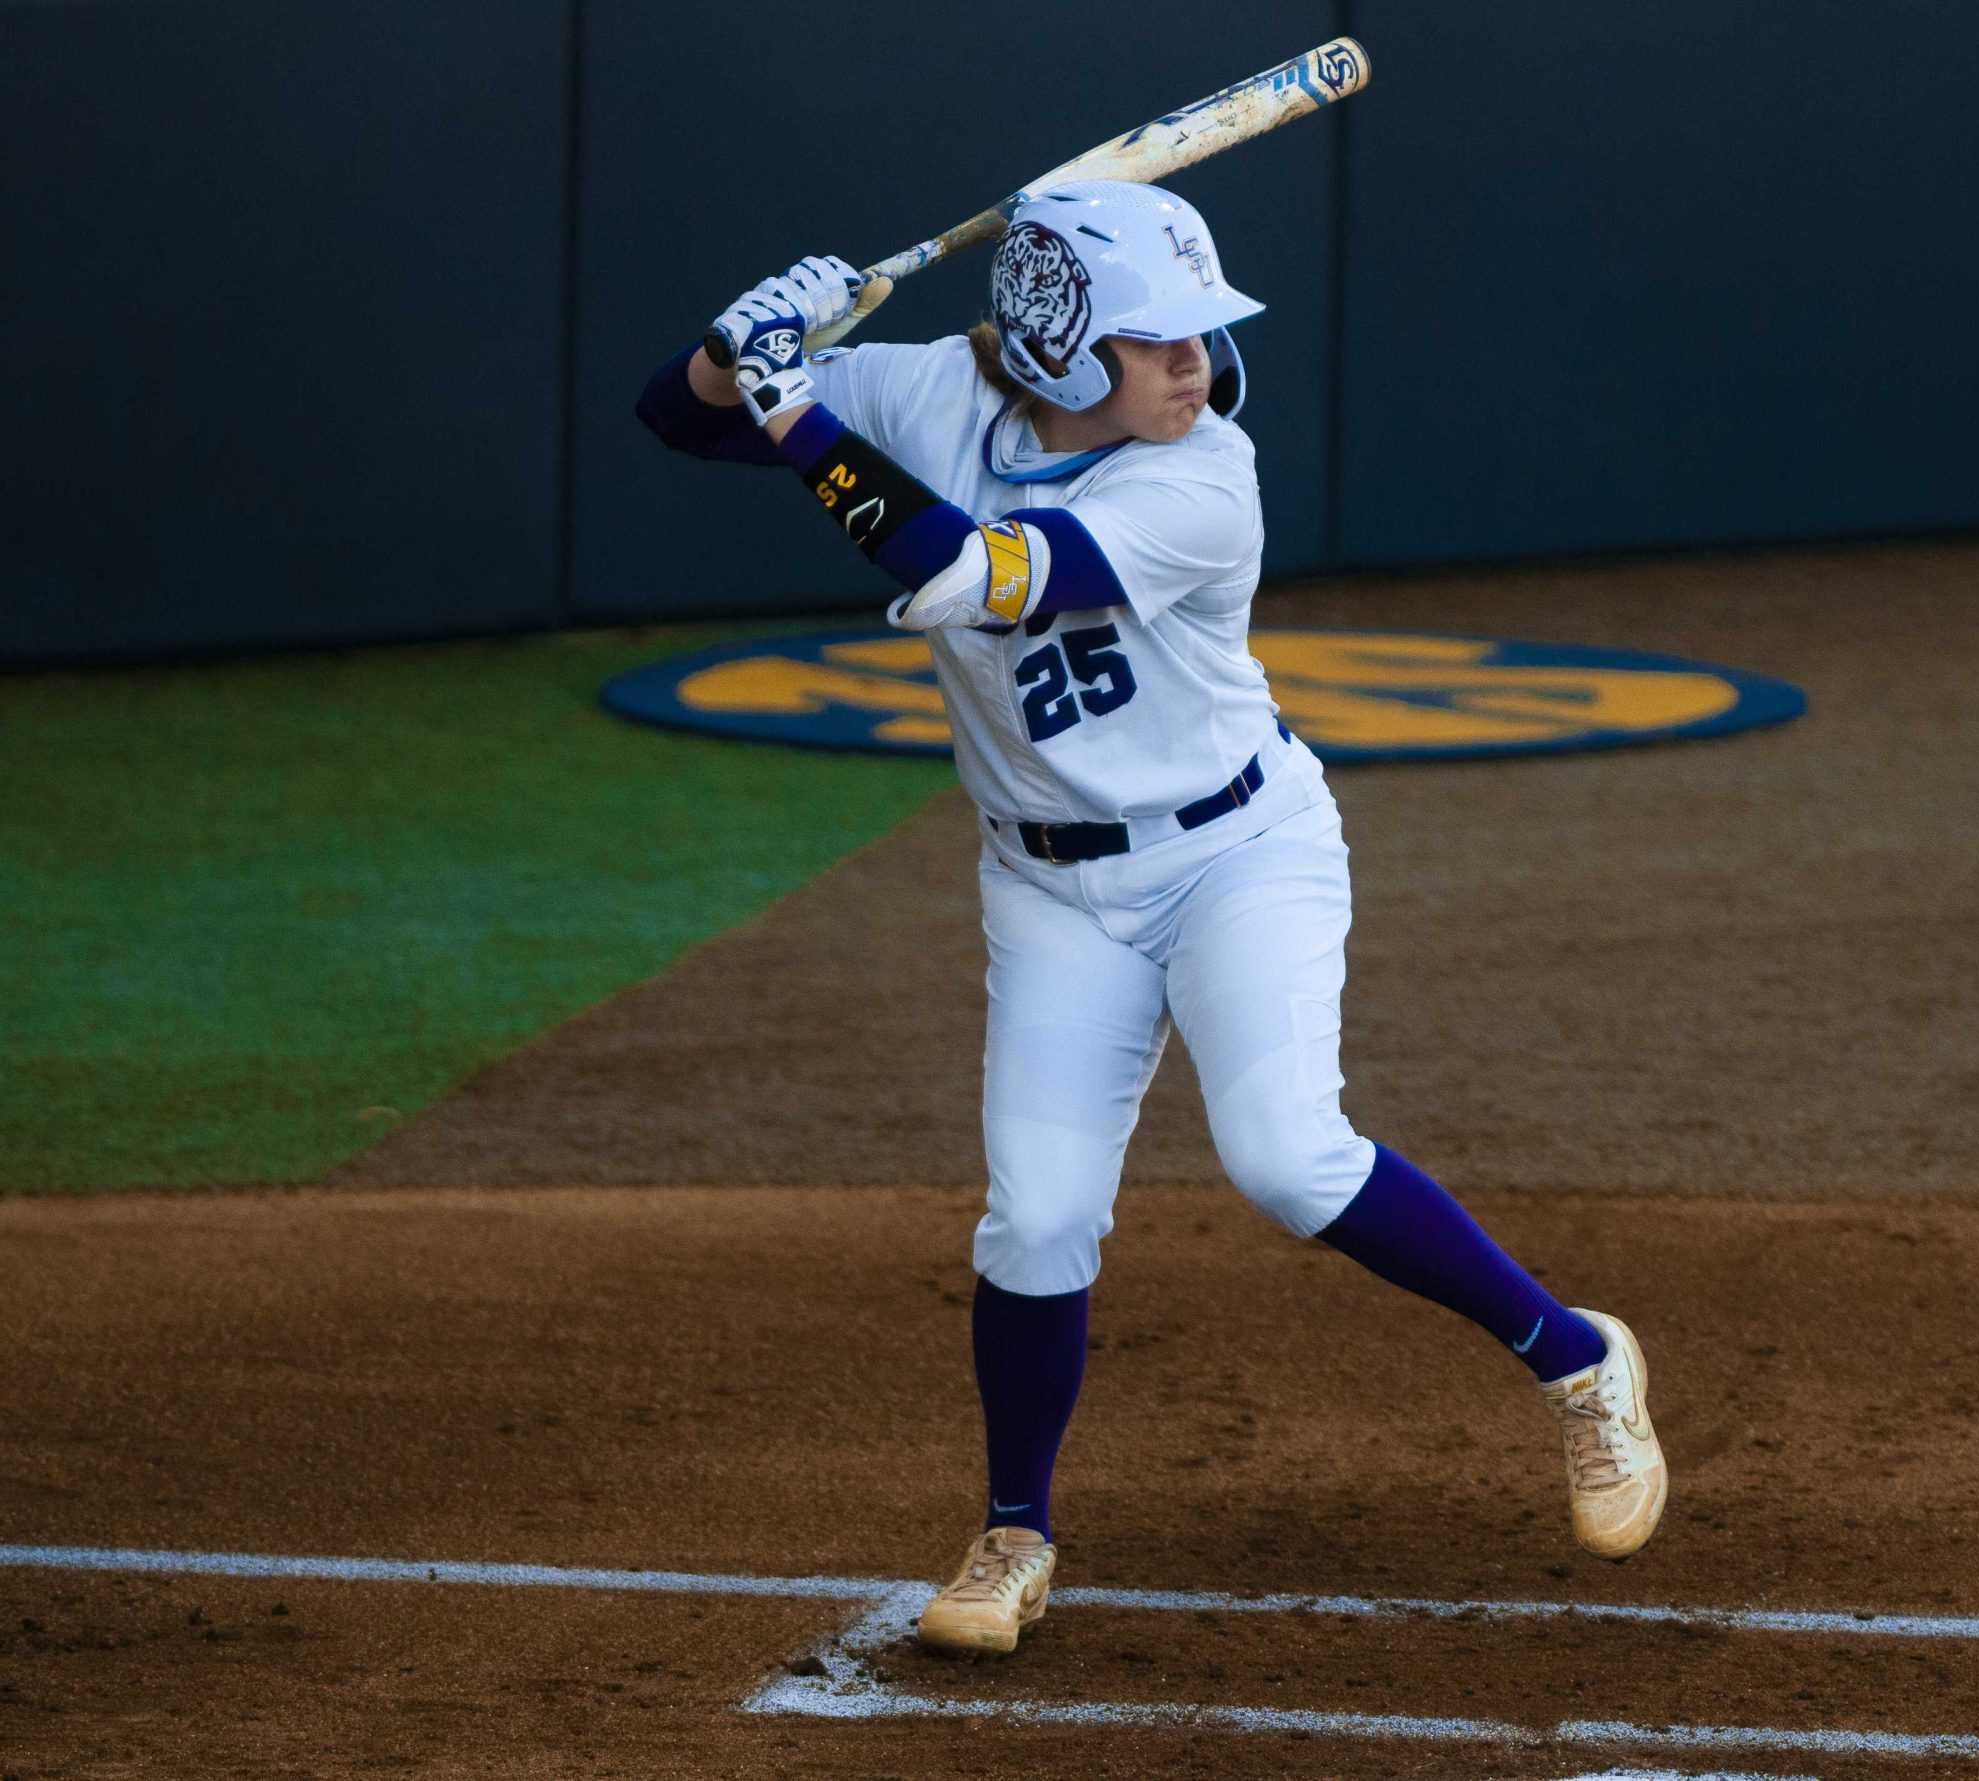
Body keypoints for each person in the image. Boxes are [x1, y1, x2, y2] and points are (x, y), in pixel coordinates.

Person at [636, 181, 1666, 1655]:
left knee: (1287, 1156)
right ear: (1058, 351)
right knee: (1038, 1216)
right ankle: (1014, 1533)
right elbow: (677, 416)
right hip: (1050, 885)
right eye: (1157, 340)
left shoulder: (1205, 478)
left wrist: (796, 407)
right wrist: (745, 347)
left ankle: (1579, 1363)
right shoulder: (926, 392)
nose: (1197, 364)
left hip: (1240, 851)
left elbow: (967, 575)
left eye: (1198, 335)